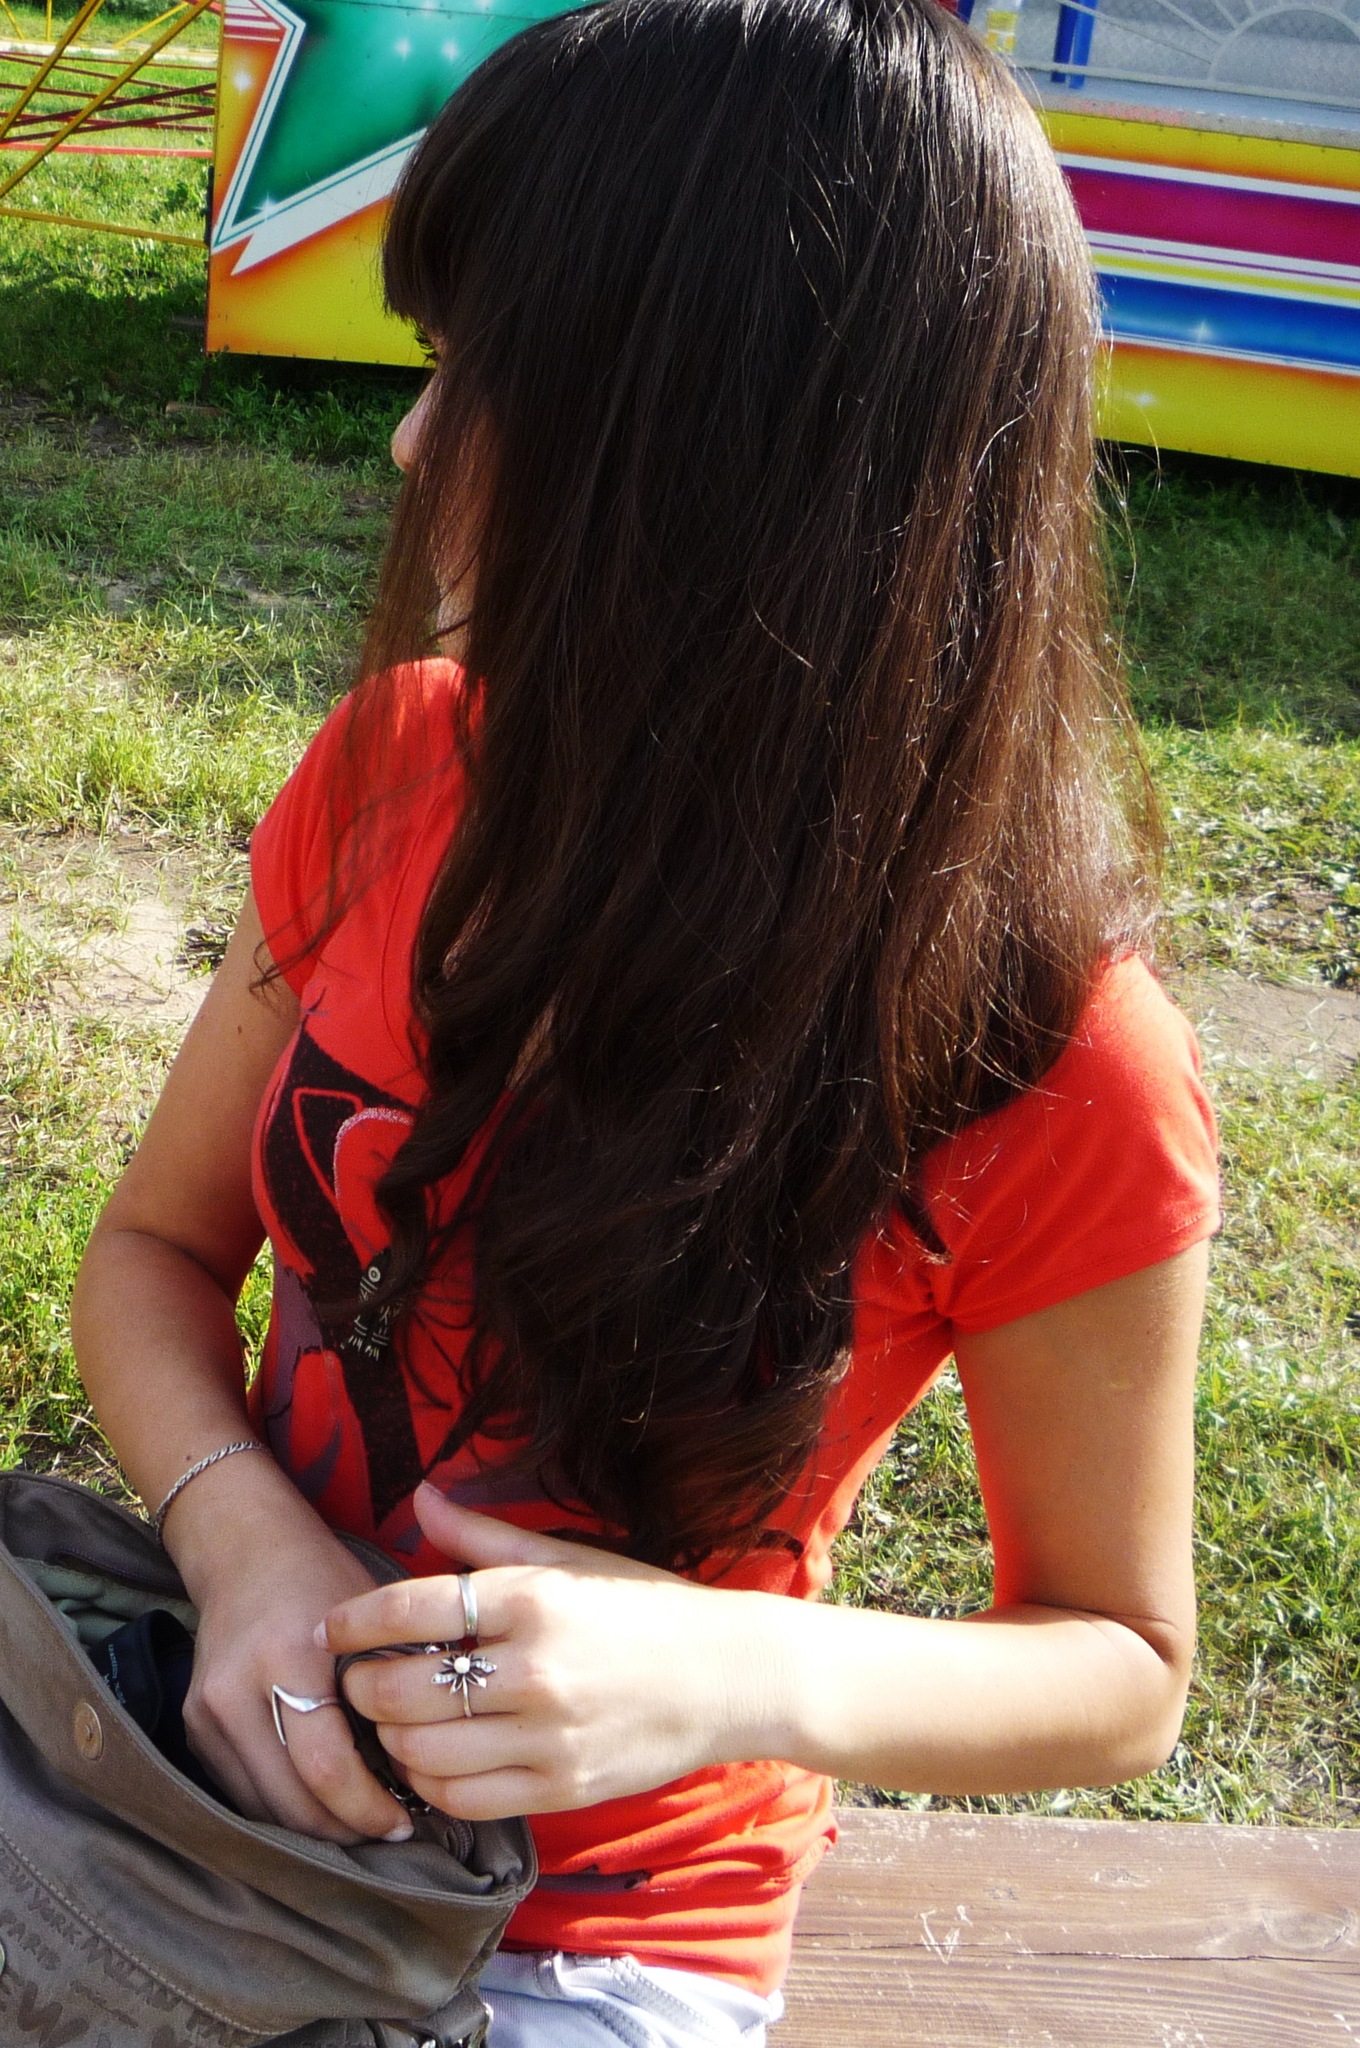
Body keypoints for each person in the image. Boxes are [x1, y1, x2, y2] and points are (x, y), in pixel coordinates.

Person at [71, 0, 1220, 2041]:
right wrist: (243, 1543)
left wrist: (722, 1671)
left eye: (482, 377)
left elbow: (1117, 1662)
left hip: (598, 1934)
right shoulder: (394, 769)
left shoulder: (1049, 1047)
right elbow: (154, 1253)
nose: (413, 445)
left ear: (726, 451)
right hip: (211, 1769)